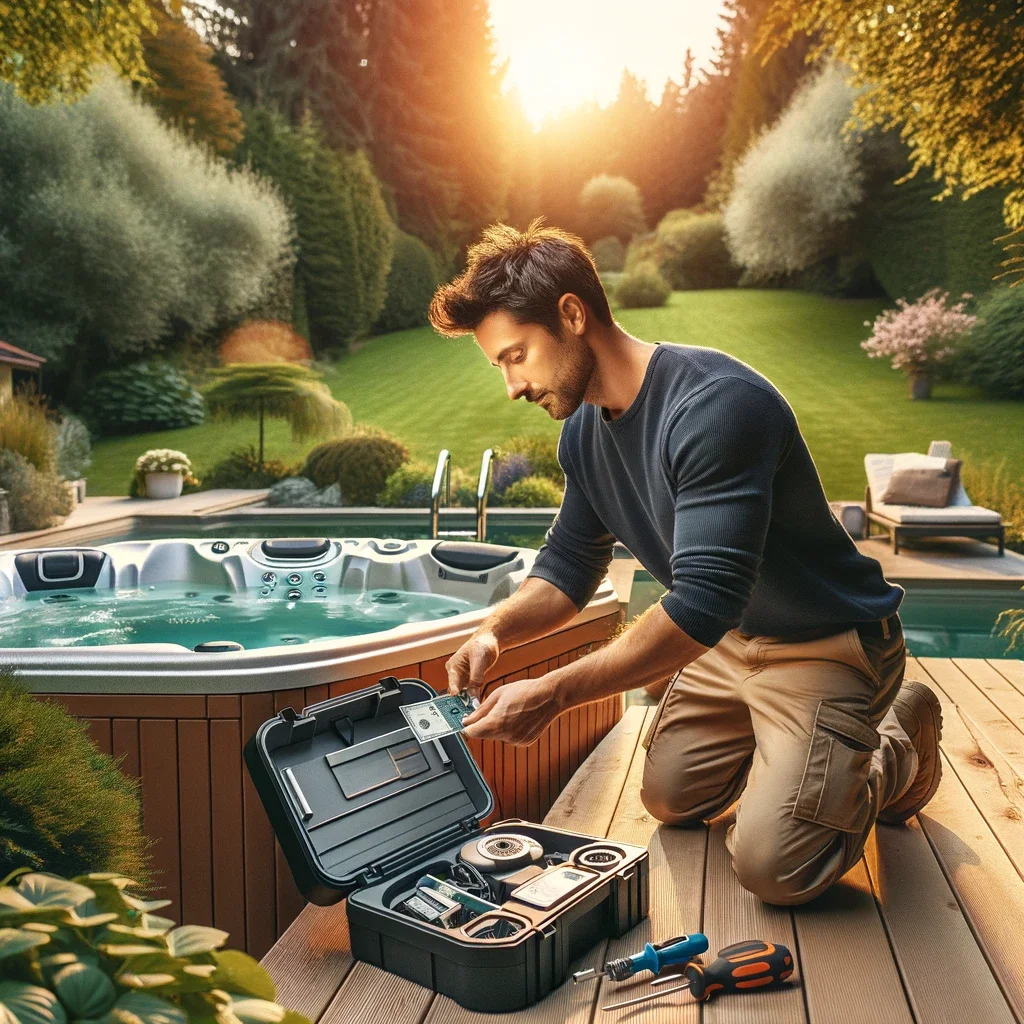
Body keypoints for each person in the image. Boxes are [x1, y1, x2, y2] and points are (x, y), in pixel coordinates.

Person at [429, 219, 942, 906]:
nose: (512, 386)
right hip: (729, 646)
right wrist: (496, 629)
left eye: (515, 356)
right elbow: (567, 566)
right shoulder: (583, 431)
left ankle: (894, 738)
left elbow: (702, 602)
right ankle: (806, 754)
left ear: (572, 315)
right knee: (672, 799)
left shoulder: (717, 407)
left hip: (828, 642)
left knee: (775, 868)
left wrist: (553, 693)